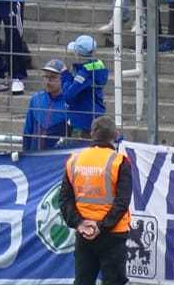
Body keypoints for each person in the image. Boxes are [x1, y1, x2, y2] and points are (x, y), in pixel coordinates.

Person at [58, 117, 135, 285]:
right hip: (113, 234)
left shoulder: (74, 160)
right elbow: (123, 202)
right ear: (116, 136)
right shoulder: (119, 162)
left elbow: (64, 199)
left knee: (83, 281)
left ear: (92, 135)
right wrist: (102, 227)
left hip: (84, 234)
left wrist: (79, 223)